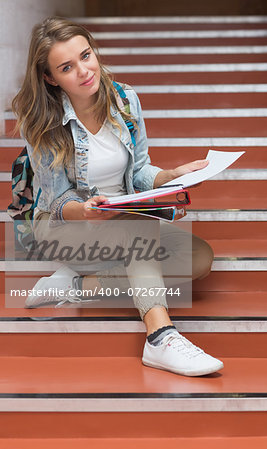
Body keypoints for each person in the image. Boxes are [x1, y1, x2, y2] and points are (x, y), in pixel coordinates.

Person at [12, 16, 223, 377]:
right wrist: (89, 211)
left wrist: (169, 177)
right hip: (66, 226)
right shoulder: (42, 122)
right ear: (50, 77)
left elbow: (138, 170)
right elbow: (59, 201)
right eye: (67, 67)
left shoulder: (124, 99)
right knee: (136, 232)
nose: (84, 70)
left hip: (119, 218)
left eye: (86, 55)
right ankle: (160, 336)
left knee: (199, 258)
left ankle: (77, 285)